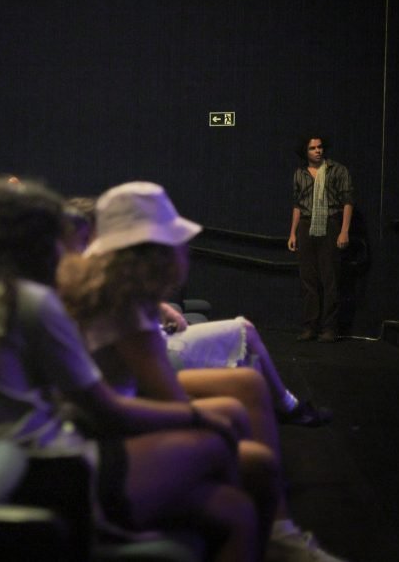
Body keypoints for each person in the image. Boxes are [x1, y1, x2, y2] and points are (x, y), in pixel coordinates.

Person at [0, 181, 275, 562]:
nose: (68, 253)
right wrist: (197, 414)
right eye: (60, 238)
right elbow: (104, 408)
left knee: (235, 509)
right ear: (35, 241)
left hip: (13, 466)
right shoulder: (30, 300)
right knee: (225, 443)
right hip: (49, 471)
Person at [58, 181, 343, 561]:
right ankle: (277, 534)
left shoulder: (104, 285)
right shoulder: (123, 303)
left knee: (241, 394)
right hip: (94, 444)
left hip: (89, 421)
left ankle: (277, 534)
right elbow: (167, 400)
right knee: (251, 456)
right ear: (154, 252)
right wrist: (210, 421)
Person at [288, 136, 354, 342]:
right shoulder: (300, 173)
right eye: (312, 148)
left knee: (330, 279)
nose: (317, 151)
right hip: (306, 226)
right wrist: (292, 232)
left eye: (320, 147)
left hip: (330, 223)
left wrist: (344, 230)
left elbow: (348, 201)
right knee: (308, 279)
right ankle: (310, 327)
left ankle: (329, 328)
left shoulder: (338, 170)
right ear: (305, 152)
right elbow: (298, 204)